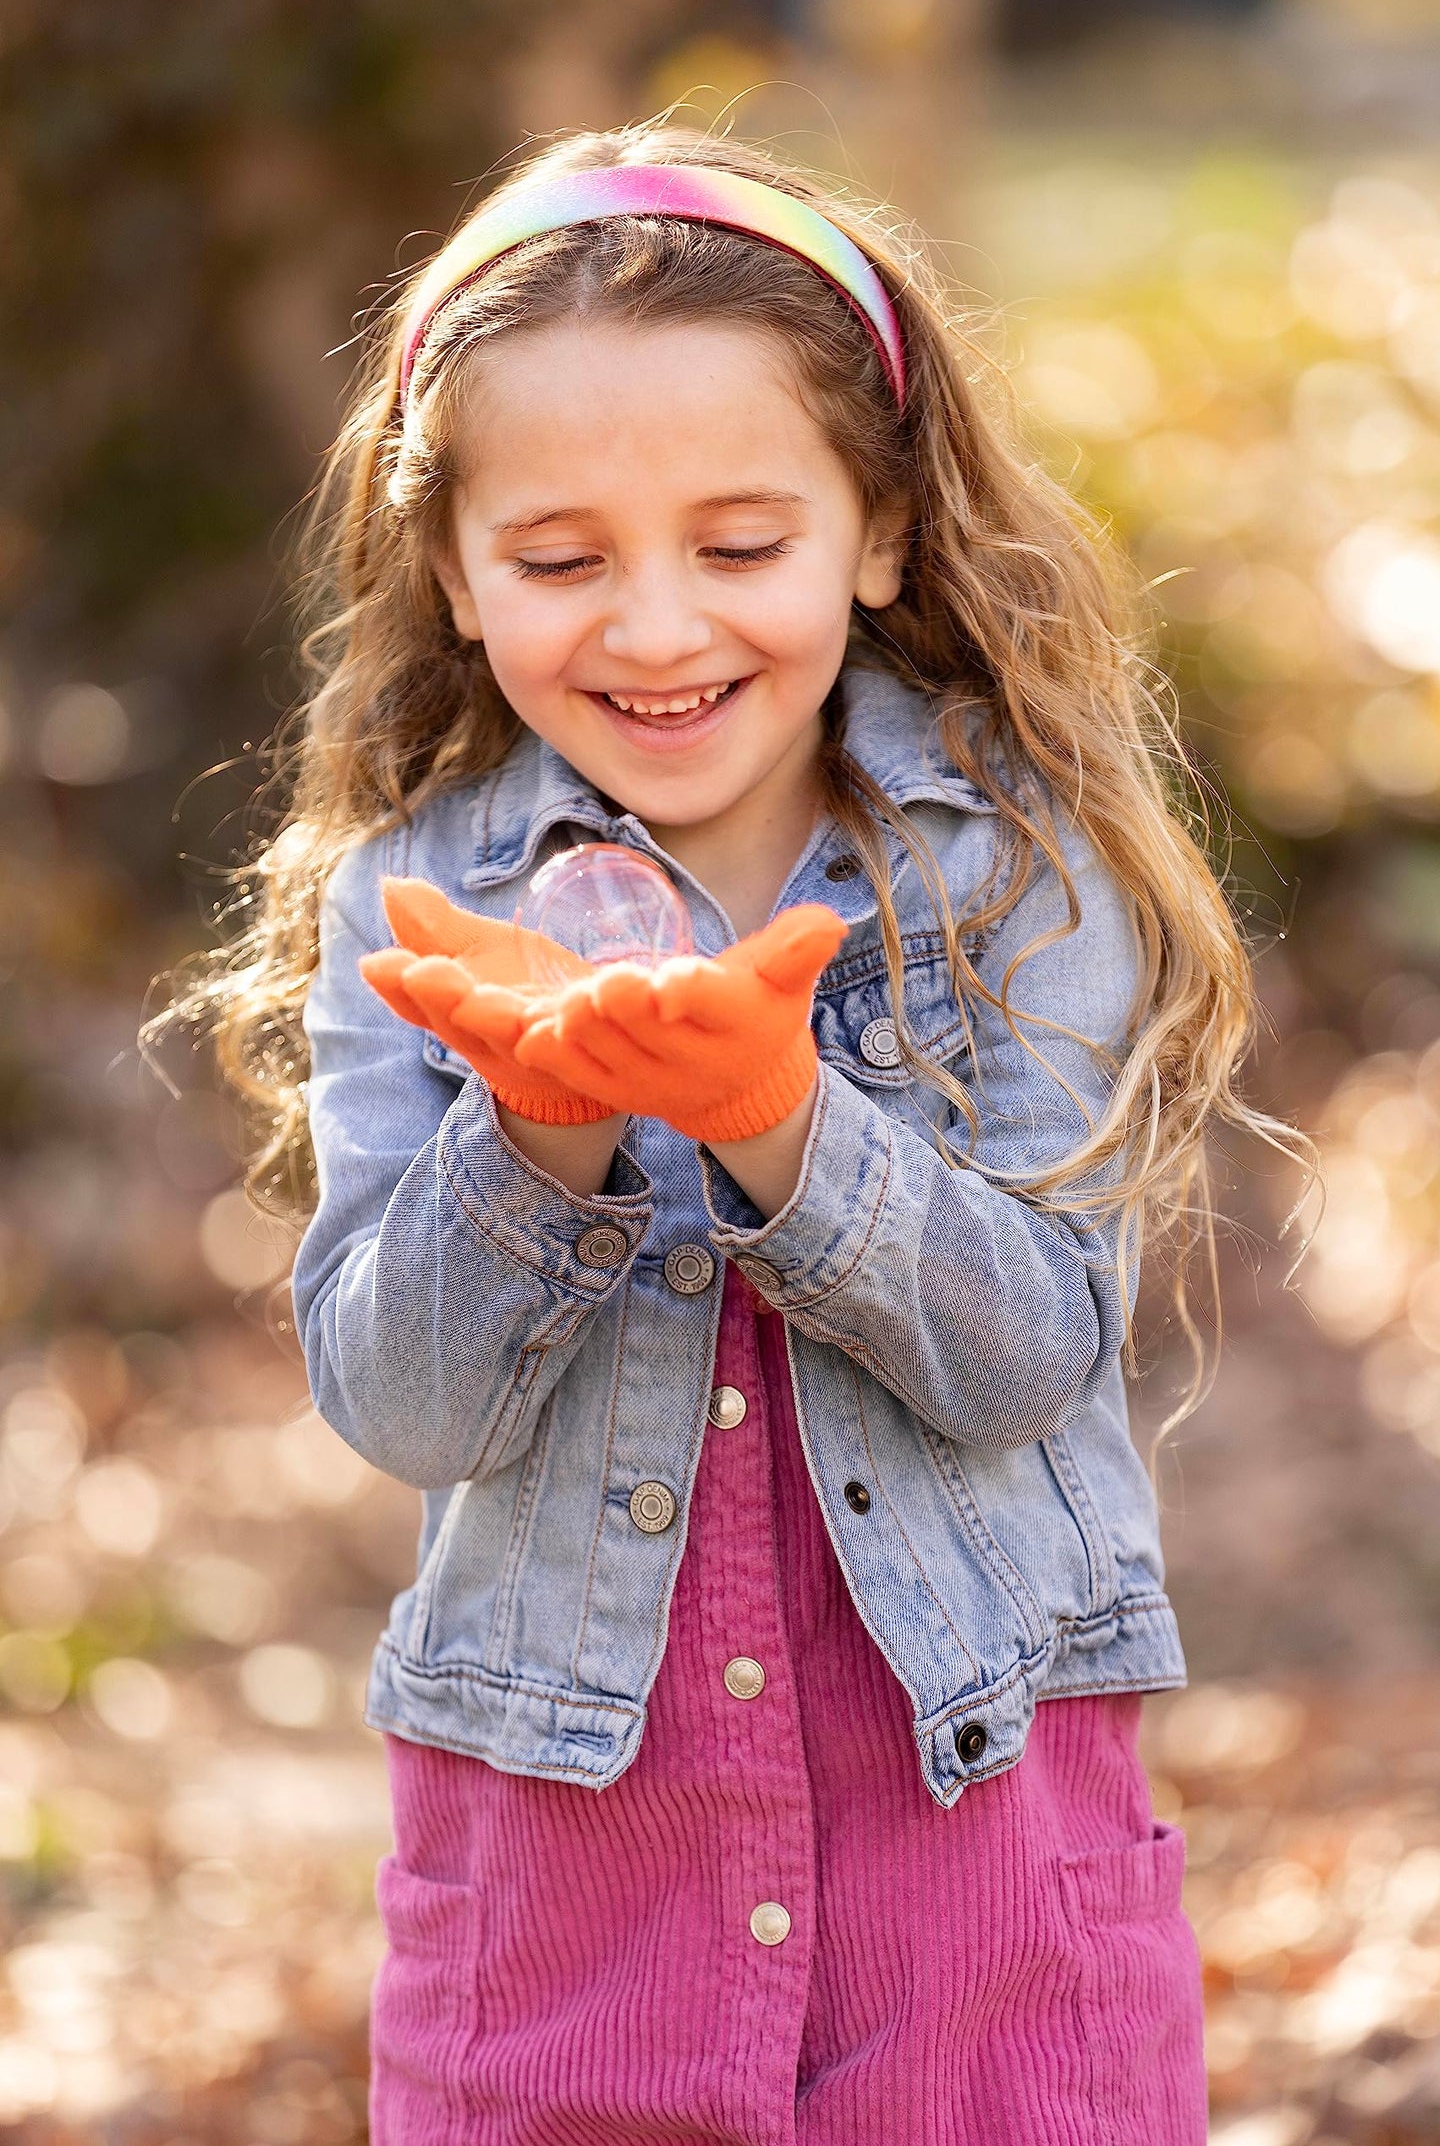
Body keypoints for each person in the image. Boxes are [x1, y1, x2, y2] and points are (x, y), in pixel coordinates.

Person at [152, 120, 1313, 2143]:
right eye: (560, 557)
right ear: (454, 566)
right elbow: (399, 1404)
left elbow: (1030, 1344)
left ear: (874, 531)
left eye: (740, 543)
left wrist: (783, 1123)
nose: (658, 629)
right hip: (567, 1883)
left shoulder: (1021, 878)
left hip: (974, 1873)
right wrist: (532, 1133)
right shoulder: (413, 903)